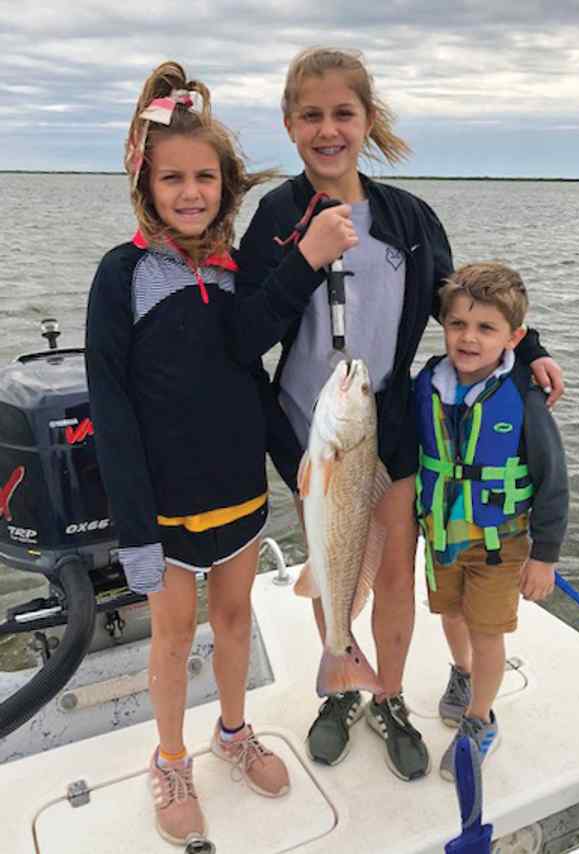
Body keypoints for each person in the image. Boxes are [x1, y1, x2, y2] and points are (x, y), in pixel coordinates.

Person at [234, 46, 565, 782]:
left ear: (367, 120)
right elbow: (244, 333)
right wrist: (305, 259)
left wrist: (530, 344)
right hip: (309, 424)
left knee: (390, 571)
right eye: (311, 116)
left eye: (343, 114)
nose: (328, 130)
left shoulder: (408, 218)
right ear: (290, 125)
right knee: (333, 563)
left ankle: (385, 692)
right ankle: (337, 677)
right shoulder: (278, 216)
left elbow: (462, 300)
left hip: (386, 420)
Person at [85, 61, 356, 846]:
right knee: (173, 637)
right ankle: (169, 758)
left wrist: (303, 477)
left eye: (206, 176)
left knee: (234, 620)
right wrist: (134, 528)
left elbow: (253, 375)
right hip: (163, 513)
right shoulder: (123, 275)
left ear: (228, 187)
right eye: (174, 178)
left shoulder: (240, 273)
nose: (191, 192)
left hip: (239, 499)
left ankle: (232, 734)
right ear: (146, 183)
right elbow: (110, 407)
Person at [414, 262, 569, 779]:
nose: (469, 338)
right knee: (451, 616)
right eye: (458, 324)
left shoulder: (525, 398)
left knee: (486, 631)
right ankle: (461, 675)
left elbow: (553, 482)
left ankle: (480, 717)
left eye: (486, 328)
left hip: (500, 546)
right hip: (440, 537)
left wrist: (544, 557)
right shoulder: (425, 385)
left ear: (515, 337)